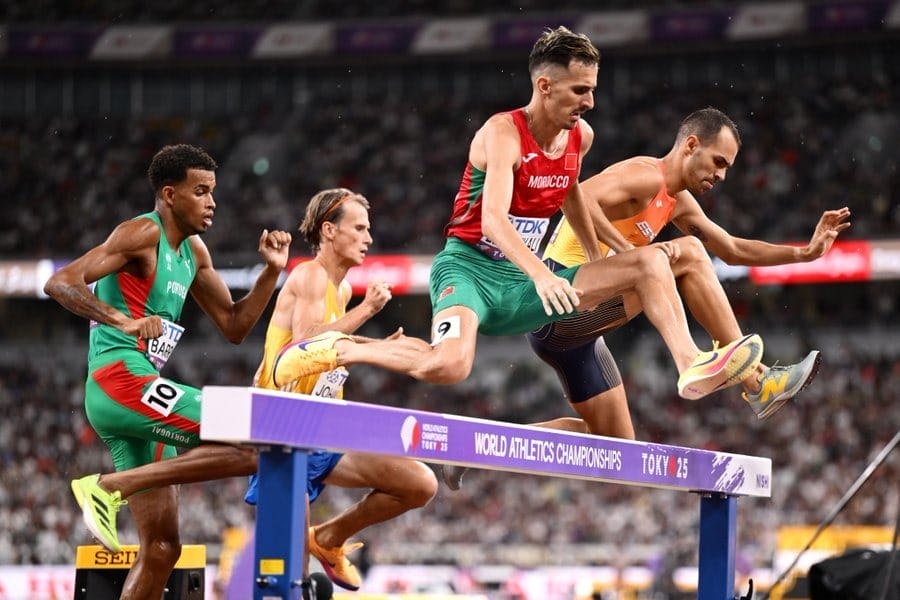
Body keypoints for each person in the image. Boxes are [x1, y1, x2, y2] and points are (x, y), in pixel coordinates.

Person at [272, 28, 764, 405]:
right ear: (545, 86)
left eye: (592, 90)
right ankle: (347, 348)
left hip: (524, 280)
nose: (589, 102)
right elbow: (492, 222)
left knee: (653, 260)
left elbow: (571, 193)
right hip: (469, 270)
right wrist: (540, 273)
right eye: (578, 91)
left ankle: (689, 365)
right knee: (450, 367)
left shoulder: (580, 137)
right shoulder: (502, 133)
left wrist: (597, 256)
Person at [440, 107, 850, 488]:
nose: (721, 176)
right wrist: (627, 253)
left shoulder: (678, 202)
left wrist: (804, 253)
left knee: (615, 448)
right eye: (718, 163)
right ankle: (750, 379)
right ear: (691, 145)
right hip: (560, 308)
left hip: (580, 339)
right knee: (685, 253)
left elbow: (731, 249)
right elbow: (576, 196)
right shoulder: (644, 175)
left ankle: (475, 451)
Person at [44, 144, 291, 600]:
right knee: (255, 444)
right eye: (201, 192)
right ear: (170, 195)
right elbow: (60, 282)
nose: (212, 202)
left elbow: (234, 325)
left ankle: (112, 488)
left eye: (213, 192)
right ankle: (107, 487)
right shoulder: (141, 233)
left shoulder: (194, 252)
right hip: (119, 381)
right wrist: (123, 320)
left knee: (161, 548)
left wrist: (270, 273)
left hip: (140, 395)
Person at [242, 188, 438, 591]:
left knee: (420, 484)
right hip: (286, 432)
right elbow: (306, 345)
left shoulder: (343, 290)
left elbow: (336, 348)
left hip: (326, 429)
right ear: (329, 230)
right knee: (289, 581)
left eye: (369, 229)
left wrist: (383, 347)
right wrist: (368, 312)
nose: (368, 238)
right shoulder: (308, 275)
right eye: (360, 228)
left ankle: (329, 537)